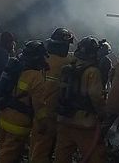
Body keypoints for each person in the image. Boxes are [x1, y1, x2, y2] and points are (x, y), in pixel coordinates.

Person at [54, 36, 106, 163]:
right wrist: (102, 113)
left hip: (64, 119)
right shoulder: (92, 72)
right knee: (95, 156)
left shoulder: (67, 68)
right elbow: (96, 97)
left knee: (62, 155)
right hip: (84, 123)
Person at [0, 40, 48, 163]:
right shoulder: (36, 77)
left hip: (3, 116)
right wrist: (44, 124)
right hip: (18, 124)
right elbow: (39, 106)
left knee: (3, 150)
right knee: (7, 157)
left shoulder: (16, 66)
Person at [30, 28, 74, 163]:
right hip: (51, 113)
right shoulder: (67, 62)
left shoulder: (42, 59)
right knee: (43, 149)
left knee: (36, 144)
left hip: (36, 109)